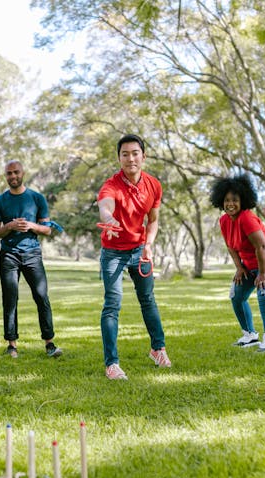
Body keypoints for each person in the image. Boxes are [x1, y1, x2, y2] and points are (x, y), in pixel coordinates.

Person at [97, 134, 170, 380]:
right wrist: (109, 219)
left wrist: (148, 245)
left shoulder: (153, 185)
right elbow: (105, 205)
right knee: (112, 305)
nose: (130, 158)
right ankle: (112, 364)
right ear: (119, 158)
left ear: (143, 156)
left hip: (139, 250)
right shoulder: (111, 185)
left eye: (135, 153)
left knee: (148, 300)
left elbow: (154, 219)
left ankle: (157, 349)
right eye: (125, 154)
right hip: (113, 253)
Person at [0, 160, 62, 359]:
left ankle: (49, 343)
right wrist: (10, 226)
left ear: (23, 173)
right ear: (6, 176)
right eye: (9, 173)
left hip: (32, 254)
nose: (13, 176)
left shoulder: (36, 198)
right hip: (9, 255)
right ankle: (12, 345)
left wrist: (30, 225)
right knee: (10, 299)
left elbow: (47, 229)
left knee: (41, 296)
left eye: (16, 172)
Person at [210, 174, 265, 352]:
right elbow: (231, 247)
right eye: (227, 200)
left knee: (264, 292)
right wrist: (239, 267)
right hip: (249, 265)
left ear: (243, 200)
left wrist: (262, 273)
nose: (230, 204)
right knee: (236, 295)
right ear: (221, 201)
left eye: (235, 200)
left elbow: (261, 246)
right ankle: (250, 335)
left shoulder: (247, 218)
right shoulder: (224, 221)